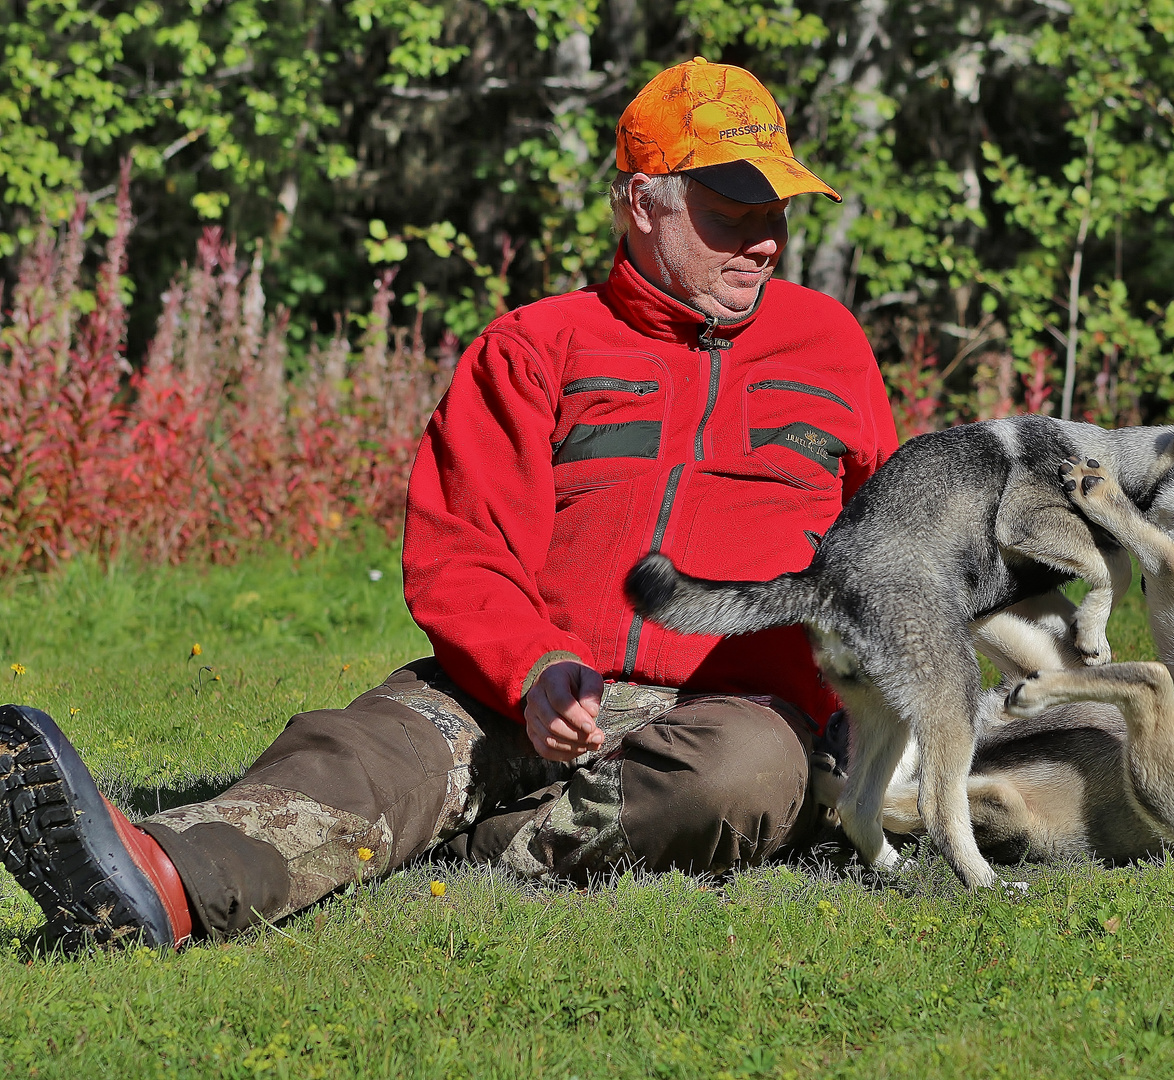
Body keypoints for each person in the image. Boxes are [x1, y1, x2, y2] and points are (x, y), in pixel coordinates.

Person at [0, 57, 899, 950]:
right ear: (642, 203)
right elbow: (461, 549)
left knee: (738, 779)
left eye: (774, 211)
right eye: (730, 212)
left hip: (736, 710)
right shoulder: (535, 345)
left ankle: (487, 844)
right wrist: (533, 664)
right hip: (529, 684)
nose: (764, 240)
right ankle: (158, 879)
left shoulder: (832, 347)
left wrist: (872, 710)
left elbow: (896, 554)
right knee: (368, 755)